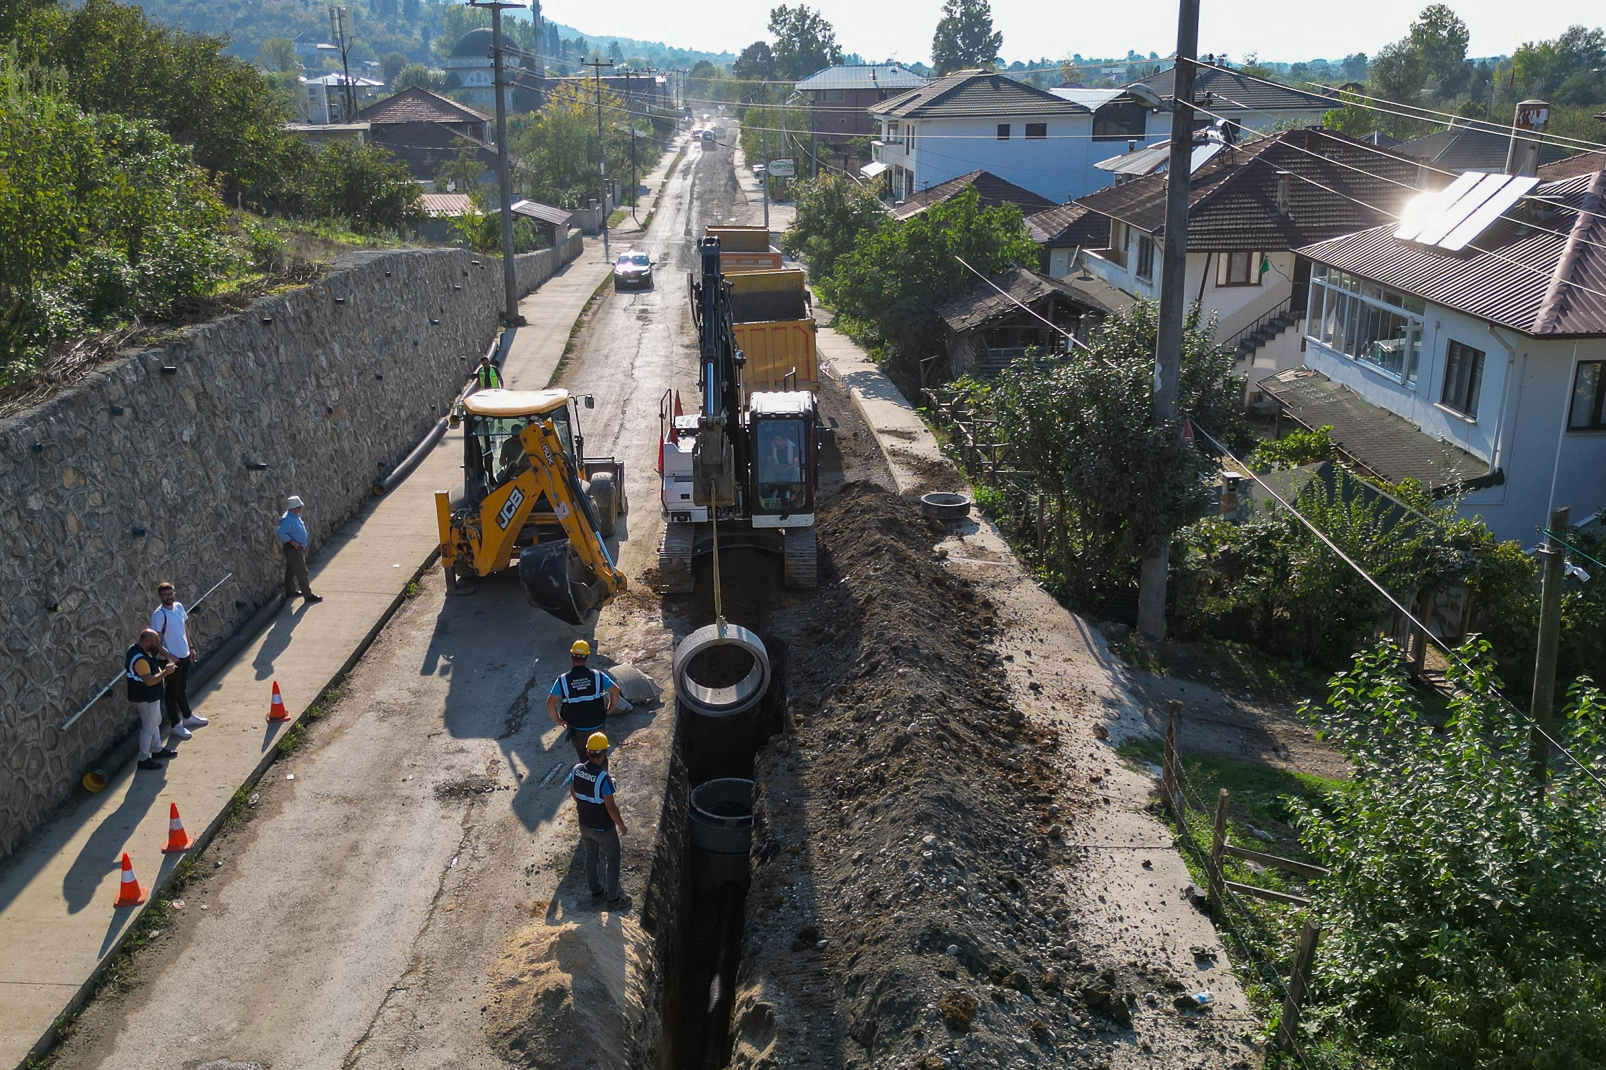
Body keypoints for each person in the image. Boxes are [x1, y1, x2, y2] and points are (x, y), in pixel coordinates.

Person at [571, 731, 628, 904]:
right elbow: (611, 808)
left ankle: (596, 892)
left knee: (591, 858)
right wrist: (621, 825)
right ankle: (613, 899)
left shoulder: (576, 770)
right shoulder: (604, 779)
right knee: (613, 859)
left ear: (587, 751)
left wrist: (585, 806)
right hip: (604, 829)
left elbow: (574, 793)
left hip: (584, 825)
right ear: (604, 753)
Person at [546, 639, 620, 762]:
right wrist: (610, 709)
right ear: (587, 657)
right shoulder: (598, 676)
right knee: (600, 756)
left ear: (571, 656)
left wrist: (558, 720)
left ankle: (585, 771)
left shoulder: (563, 680)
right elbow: (615, 691)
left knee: (583, 756)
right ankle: (601, 772)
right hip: (597, 726)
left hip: (577, 729)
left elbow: (550, 703)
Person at [151, 582, 207, 739]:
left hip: (184, 654)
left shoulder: (178, 607)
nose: (169, 597)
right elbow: (155, 640)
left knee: (181, 688)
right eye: (165, 595)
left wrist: (191, 647)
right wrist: (169, 656)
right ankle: (176, 724)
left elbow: (184, 627)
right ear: (160, 597)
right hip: (171, 659)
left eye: (171, 593)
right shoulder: (159, 615)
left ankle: (187, 716)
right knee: (171, 692)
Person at [126, 629, 179, 771]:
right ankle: (143, 759)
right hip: (146, 698)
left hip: (150, 696)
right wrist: (166, 672)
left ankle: (157, 749)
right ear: (148, 641)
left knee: (155, 721)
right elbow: (149, 681)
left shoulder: (137, 650)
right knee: (149, 728)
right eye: (156, 642)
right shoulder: (140, 660)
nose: (157, 645)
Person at [277, 495, 322, 604]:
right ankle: (308, 595)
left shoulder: (294, 516)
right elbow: (281, 533)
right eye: (299, 507)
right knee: (302, 572)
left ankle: (290, 591)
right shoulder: (288, 519)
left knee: (291, 570)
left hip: (296, 548)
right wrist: (292, 542)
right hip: (293, 549)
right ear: (293, 508)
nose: (301, 508)